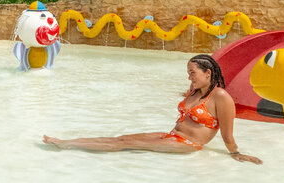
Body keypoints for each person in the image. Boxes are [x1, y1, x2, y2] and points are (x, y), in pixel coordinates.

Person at [42, 54, 262, 163]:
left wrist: (236, 153)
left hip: (188, 144)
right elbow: (187, 104)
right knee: (122, 138)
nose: (189, 77)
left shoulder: (221, 97)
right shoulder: (195, 91)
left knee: (125, 145)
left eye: (192, 73)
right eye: (188, 73)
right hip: (171, 135)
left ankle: (66, 145)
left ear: (208, 73)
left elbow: (227, 134)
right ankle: (68, 143)